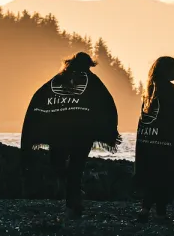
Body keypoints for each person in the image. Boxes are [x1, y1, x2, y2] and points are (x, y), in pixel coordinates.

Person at [20, 51, 120, 219]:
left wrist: (37, 127)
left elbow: (39, 100)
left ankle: (72, 206)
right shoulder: (60, 80)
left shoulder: (85, 81)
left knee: (65, 166)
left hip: (67, 134)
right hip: (77, 134)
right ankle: (74, 195)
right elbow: (106, 104)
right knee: (72, 168)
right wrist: (104, 127)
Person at [134, 56, 174, 222]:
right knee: (164, 178)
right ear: (166, 71)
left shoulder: (148, 92)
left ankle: (145, 210)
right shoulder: (168, 92)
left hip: (149, 143)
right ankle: (160, 213)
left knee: (151, 177)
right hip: (165, 144)